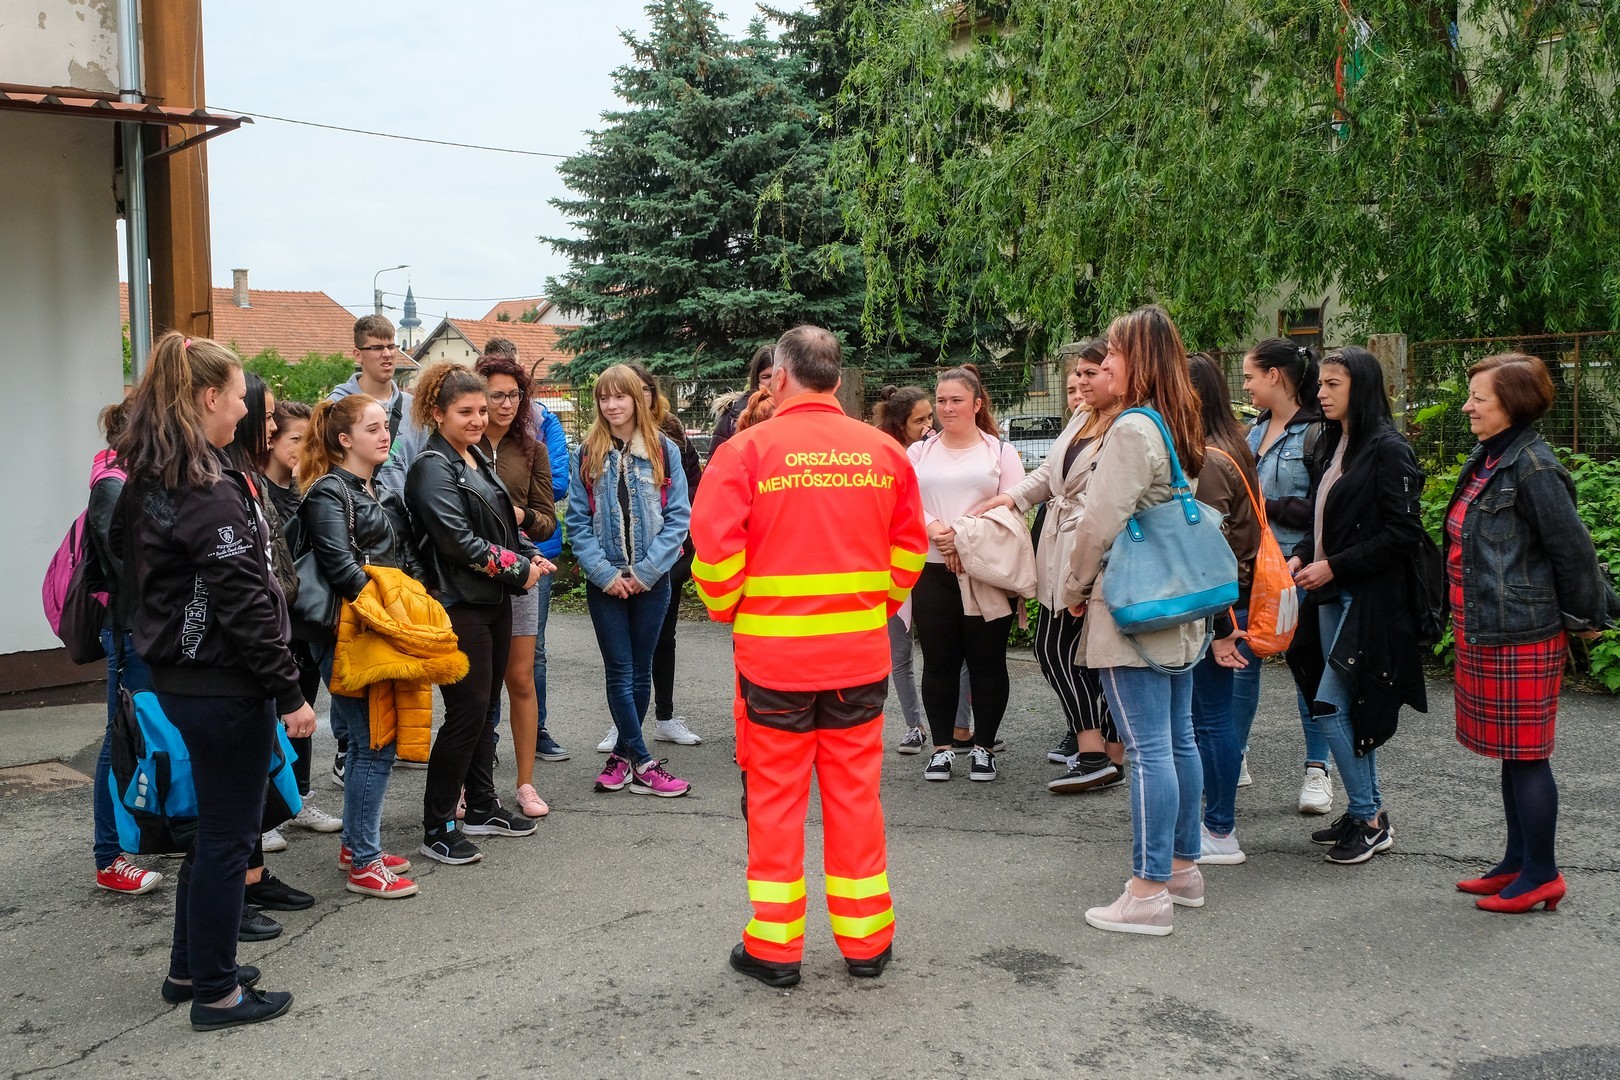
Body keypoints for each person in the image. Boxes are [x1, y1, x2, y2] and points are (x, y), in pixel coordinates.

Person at [692, 324, 927, 987]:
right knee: (855, 800)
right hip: (858, 658)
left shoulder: (745, 452)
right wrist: (870, 608)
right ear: (836, 378)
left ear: (779, 377)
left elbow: (714, 557)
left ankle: (775, 949)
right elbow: (909, 550)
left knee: (775, 804)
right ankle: (867, 943)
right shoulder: (884, 452)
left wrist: (732, 608)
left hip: (774, 664)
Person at [112, 330, 311, 1028]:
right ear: (206, 398)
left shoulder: (160, 472)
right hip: (222, 683)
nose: (247, 409)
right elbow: (245, 601)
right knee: (229, 838)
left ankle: (190, 970)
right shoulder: (205, 485)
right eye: (237, 396)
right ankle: (218, 994)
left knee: (212, 834)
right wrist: (288, 692)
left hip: (188, 676)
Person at [1446, 353, 1616, 912]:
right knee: (1510, 753)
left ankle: (1542, 873)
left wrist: (1587, 620)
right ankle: (1517, 861)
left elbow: (1573, 551)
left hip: (1521, 633)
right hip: (1486, 629)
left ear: (1512, 405)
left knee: (1526, 755)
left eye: (1479, 398)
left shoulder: (1534, 467)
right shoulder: (1490, 457)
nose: (1468, 406)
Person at [1061, 305, 1210, 936]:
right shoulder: (1178, 419)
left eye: (1116, 352)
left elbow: (1098, 523)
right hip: (1177, 603)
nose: (1106, 363)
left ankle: (1148, 891)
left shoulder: (1130, 429)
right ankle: (1182, 868)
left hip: (1133, 606)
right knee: (1178, 741)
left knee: (1149, 750)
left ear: (1139, 361)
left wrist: (1073, 586)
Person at [406, 362, 551, 865]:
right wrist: (517, 568)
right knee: (466, 713)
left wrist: (528, 554)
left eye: (481, 410)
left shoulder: (473, 457)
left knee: (486, 710)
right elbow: (456, 542)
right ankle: (439, 824)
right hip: (458, 604)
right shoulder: (432, 466)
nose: (477, 419)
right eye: (465, 411)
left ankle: (483, 806)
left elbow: (500, 525)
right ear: (437, 413)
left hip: (492, 600)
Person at [1288, 346, 1428, 865]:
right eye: (1320, 384)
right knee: (1345, 706)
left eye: (1333, 385)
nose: (1321, 393)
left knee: (1330, 706)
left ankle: (1369, 819)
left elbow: (1403, 533)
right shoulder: (1333, 442)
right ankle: (1367, 813)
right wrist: (1303, 553)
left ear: (1361, 388)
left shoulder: (1389, 449)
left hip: (1366, 598)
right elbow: (1322, 517)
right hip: (1328, 594)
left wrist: (1335, 566)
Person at [977, 340, 1126, 793]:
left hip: (1097, 551)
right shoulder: (1083, 417)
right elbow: (1049, 473)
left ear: (1115, 375)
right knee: (1057, 650)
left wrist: (1086, 573)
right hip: (1061, 544)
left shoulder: (1127, 424)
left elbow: (1111, 504)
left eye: (1090, 372)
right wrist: (1012, 498)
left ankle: (1102, 753)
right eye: (1077, 373)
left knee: (1084, 653)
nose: (1079, 381)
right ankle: (1100, 752)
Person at [298, 395, 423, 898]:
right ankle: (365, 864)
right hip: (349, 632)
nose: (384, 434)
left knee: (366, 739)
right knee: (374, 743)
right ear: (344, 439)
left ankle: (356, 846)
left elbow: (399, 557)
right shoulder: (329, 492)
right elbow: (341, 568)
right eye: (372, 428)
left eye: (385, 425)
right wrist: (395, 617)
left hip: (373, 628)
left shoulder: (374, 488)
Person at [567, 365, 693, 798]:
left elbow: (678, 518)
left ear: (637, 400)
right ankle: (643, 762)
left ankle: (622, 758)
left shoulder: (663, 449)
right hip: (606, 583)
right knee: (619, 671)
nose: (611, 405)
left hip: (651, 580)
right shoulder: (587, 452)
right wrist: (606, 574)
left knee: (641, 672)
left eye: (619, 396)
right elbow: (577, 522)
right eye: (604, 398)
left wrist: (645, 573)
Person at [222, 377, 323, 920]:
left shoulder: (248, 481)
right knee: (233, 788)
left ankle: (254, 876)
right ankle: (233, 895)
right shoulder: (223, 484)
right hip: (238, 656)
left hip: (274, 634)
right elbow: (242, 590)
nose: (267, 425)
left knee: (261, 761)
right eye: (262, 417)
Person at [910, 365, 1023, 783]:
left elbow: (1012, 507)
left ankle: (984, 748)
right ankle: (941, 749)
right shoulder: (918, 453)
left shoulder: (1000, 452)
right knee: (938, 662)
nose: (947, 408)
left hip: (986, 572)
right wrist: (936, 532)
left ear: (977, 403)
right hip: (932, 570)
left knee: (987, 662)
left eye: (956, 400)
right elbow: (904, 502)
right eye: (941, 400)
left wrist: (962, 538)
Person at [1242, 338, 1332, 813]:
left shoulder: (1318, 433)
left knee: (1307, 671)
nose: (1246, 386)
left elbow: (1324, 507)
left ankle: (1318, 770)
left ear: (1275, 376)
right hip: (1251, 570)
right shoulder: (1253, 431)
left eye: (1250, 377)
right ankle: (1233, 755)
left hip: (1298, 569)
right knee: (1240, 664)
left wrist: (1266, 505)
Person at [475, 353, 559, 820]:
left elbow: (547, 520)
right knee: (476, 687)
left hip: (523, 572)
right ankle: (472, 784)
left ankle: (526, 783)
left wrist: (519, 514)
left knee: (520, 680)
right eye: (497, 395)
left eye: (514, 395)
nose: (506, 404)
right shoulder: (460, 446)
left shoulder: (531, 449)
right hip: (471, 574)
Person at [1185, 352, 1262, 866]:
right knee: (1211, 717)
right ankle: (1214, 822)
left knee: (1210, 719)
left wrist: (1217, 626)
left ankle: (1219, 828)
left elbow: (1214, 551)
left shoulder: (1209, 459)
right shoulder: (1232, 442)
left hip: (1222, 607)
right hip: (1231, 601)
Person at [87, 400, 163, 896]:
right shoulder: (113, 484)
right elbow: (128, 569)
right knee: (121, 738)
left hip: (149, 630)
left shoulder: (142, 478)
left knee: (150, 733)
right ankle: (109, 857)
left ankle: (149, 832)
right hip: (131, 631)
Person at [262, 400, 325, 820]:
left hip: (306, 617)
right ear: (271, 439)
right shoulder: (257, 490)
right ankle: (266, 810)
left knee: (304, 709)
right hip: (274, 620)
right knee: (272, 714)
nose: (302, 449)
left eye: (309, 440)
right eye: (295, 439)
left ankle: (298, 799)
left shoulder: (304, 488)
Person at [871, 385, 940, 755]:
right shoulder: (884, 454)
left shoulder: (936, 451)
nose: (929, 426)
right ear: (900, 425)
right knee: (899, 654)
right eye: (920, 420)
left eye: (931, 417)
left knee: (944, 651)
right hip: (892, 565)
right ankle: (915, 726)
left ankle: (959, 726)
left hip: (930, 562)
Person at [330, 314, 421, 494]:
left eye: (391, 346)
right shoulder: (337, 405)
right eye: (377, 348)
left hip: (405, 508)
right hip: (357, 505)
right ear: (358, 355)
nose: (386, 354)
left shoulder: (412, 406)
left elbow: (420, 467)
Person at [710, 345, 774, 454]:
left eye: (777, 375)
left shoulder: (797, 411)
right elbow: (718, 458)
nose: (773, 382)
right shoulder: (733, 415)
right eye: (766, 377)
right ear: (756, 379)